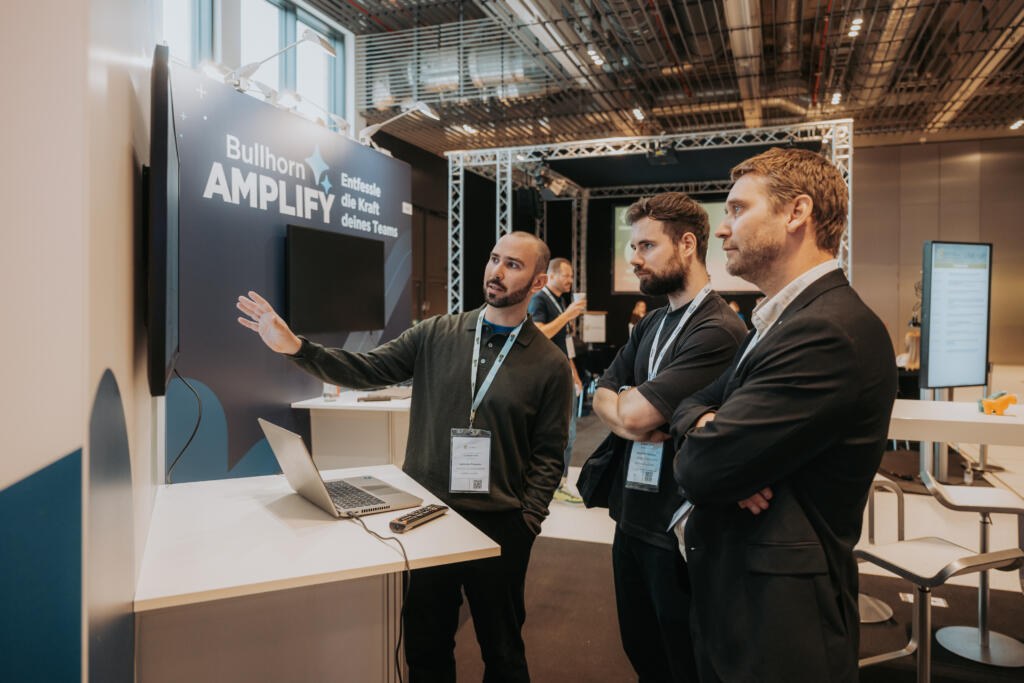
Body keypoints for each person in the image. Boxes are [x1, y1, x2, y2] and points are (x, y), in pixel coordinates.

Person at [236, 230, 573, 683]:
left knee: (503, 649)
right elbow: (367, 369)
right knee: (425, 645)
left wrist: (526, 523)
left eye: (513, 264)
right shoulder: (438, 333)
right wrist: (297, 347)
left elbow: (550, 455)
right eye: (494, 258)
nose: (496, 270)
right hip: (428, 518)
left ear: (537, 283)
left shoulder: (548, 363)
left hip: (500, 526)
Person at [670, 148, 897, 683]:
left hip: (779, 623)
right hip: (747, 598)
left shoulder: (826, 330)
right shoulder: (783, 320)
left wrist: (718, 451)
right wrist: (711, 434)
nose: (722, 231)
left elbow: (701, 469)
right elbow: (691, 405)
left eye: (737, 210)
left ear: (797, 213)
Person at [590, 192, 747, 683]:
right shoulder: (653, 322)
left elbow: (631, 411)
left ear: (686, 244)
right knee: (642, 654)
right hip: (631, 515)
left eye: (646, 246)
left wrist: (630, 410)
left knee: (684, 662)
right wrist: (629, 413)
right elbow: (603, 394)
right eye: (632, 247)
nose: (633, 258)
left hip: (679, 525)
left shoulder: (719, 328)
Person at [528, 257, 587, 503]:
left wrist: (574, 373)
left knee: (568, 434)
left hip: (563, 374)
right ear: (551, 276)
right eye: (567, 275)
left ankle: (558, 482)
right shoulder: (539, 299)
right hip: (547, 377)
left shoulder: (559, 300)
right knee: (563, 433)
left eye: (572, 276)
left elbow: (564, 344)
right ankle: (553, 484)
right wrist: (567, 316)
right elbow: (540, 333)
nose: (571, 280)